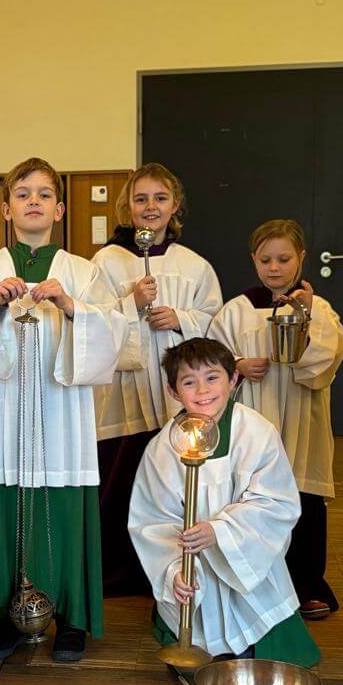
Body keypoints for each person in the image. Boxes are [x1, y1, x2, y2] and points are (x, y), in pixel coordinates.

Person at [0, 157, 126, 662]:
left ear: (60, 210)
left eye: (44, 194)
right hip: (6, 413)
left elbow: (115, 333)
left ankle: (72, 619)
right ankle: (7, 614)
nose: (34, 202)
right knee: (9, 508)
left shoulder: (83, 273)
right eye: (23, 194)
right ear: (7, 209)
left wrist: (71, 306)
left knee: (63, 507)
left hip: (63, 413)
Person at [130, 338, 319, 667]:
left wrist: (219, 531)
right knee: (192, 650)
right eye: (189, 382)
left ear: (233, 379)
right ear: (173, 391)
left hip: (246, 558)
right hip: (195, 568)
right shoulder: (162, 449)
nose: (203, 390)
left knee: (270, 661)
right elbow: (152, 520)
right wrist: (175, 570)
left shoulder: (256, 432)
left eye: (212, 377)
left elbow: (275, 503)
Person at [92, 163, 222, 596]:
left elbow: (215, 322)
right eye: (141, 199)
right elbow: (90, 322)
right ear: (127, 206)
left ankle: (167, 570)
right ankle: (115, 571)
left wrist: (180, 318)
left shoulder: (194, 265)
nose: (151, 207)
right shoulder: (107, 262)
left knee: (169, 486)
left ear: (175, 205)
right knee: (120, 482)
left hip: (173, 396)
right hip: (123, 394)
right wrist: (130, 303)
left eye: (160, 198)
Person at [208, 219, 343, 619]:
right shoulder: (236, 310)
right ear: (254, 260)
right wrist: (237, 364)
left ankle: (306, 584)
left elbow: (325, 361)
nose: (274, 268)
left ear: (301, 258)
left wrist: (305, 316)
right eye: (266, 259)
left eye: (284, 259)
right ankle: (252, 581)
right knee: (252, 497)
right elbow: (212, 356)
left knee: (303, 498)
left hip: (302, 417)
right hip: (254, 416)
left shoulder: (319, 309)